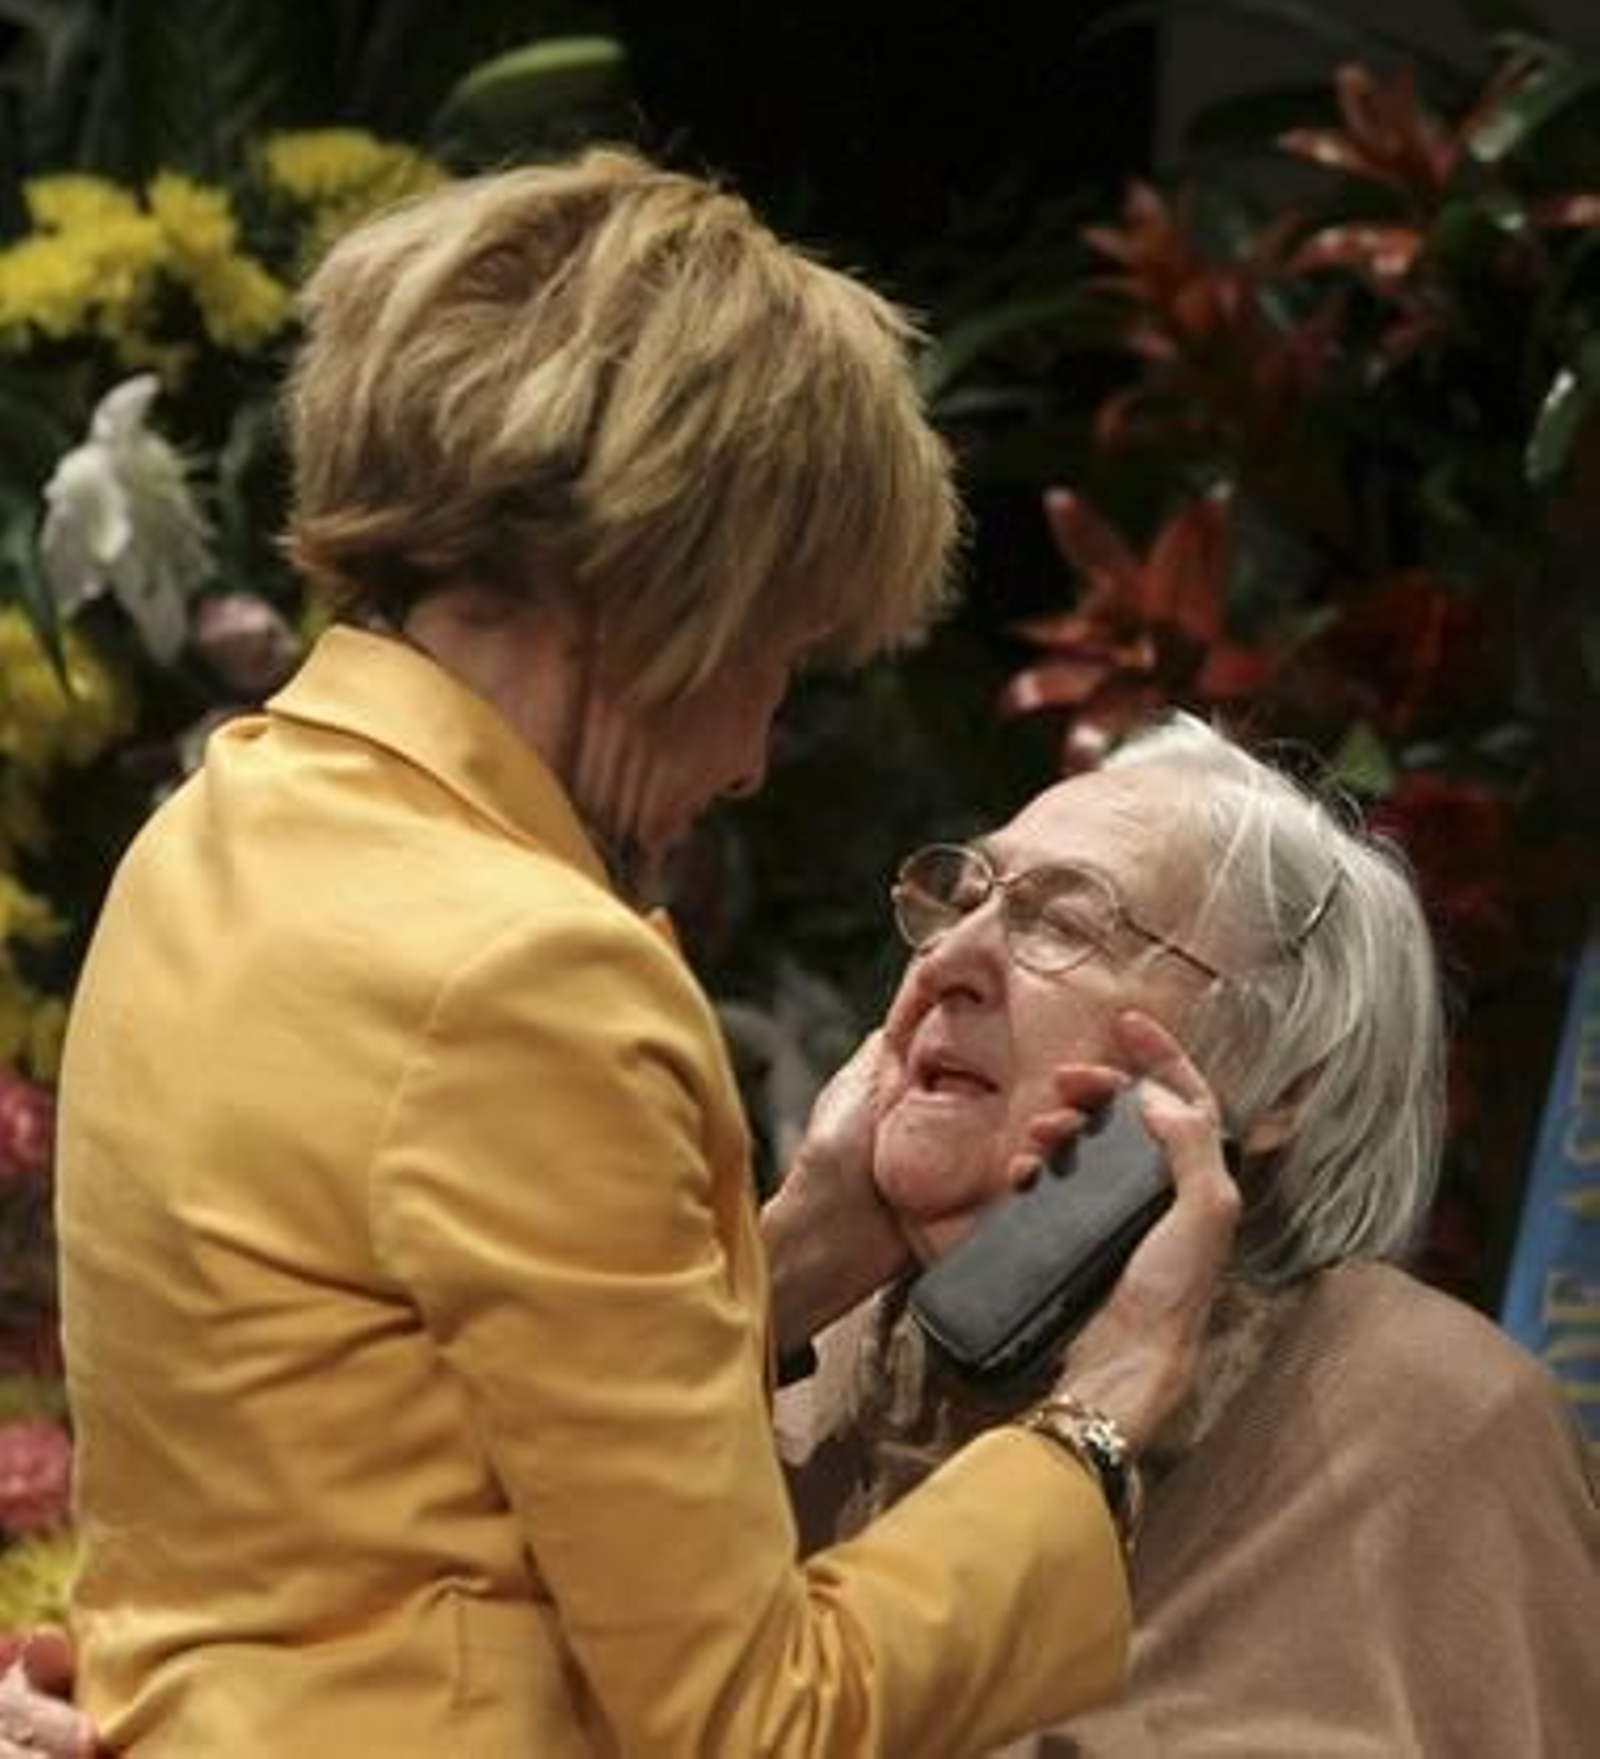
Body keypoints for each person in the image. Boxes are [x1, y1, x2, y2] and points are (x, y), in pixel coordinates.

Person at [15, 150, 1240, 1757]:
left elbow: (419, 1427)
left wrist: (818, 1232)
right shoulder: (534, 973)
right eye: (787, 660)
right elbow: (756, 1716)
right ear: (674, 585)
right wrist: (1104, 1409)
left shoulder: (214, 831)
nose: (752, 756)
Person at [780, 711, 1600, 1757]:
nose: (954, 956)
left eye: (1063, 924)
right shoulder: (794, 1342)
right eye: (964, 898)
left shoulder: (1421, 1411)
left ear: (1275, 1080)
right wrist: (775, 1278)